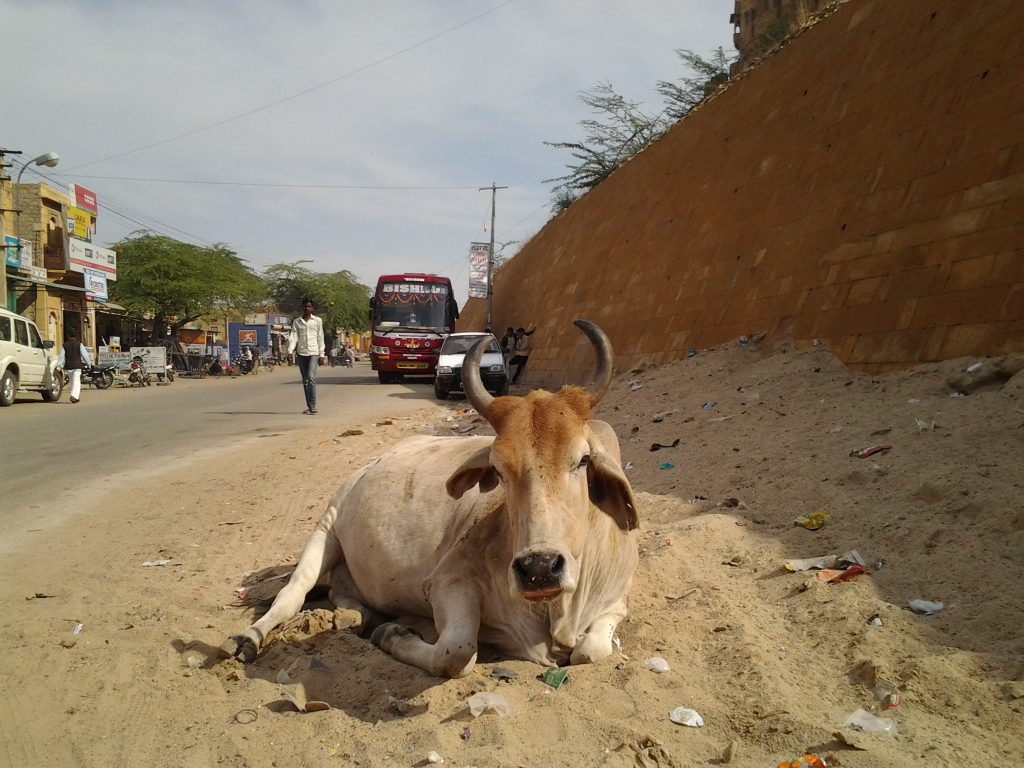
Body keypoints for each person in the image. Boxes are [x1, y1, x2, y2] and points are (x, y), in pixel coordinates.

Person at [287, 297, 326, 414]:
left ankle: (313, 406)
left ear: (312, 308)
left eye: (309, 306)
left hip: (314, 352)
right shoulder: (297, 322)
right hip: (302, 353)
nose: (307, 308)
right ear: (302, 307)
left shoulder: (317, 321)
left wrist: (322, 354)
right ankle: (309, 406)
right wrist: (290, 351)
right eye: (305, 306)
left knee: (311, 377)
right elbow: (294, 337)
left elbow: (320, 337)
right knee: (305, 380)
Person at [57, 331, 92, 404]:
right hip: (77, 366)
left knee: (73, 381)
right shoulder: (79, 344)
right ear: (75, 336)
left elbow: (61, 356)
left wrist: (59, 366)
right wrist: (89, 364)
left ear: (68, 335)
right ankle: (74, 396)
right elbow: (85, 355)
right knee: (76, 381)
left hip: (69, 366)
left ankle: (75, 396)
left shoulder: (65, 345)